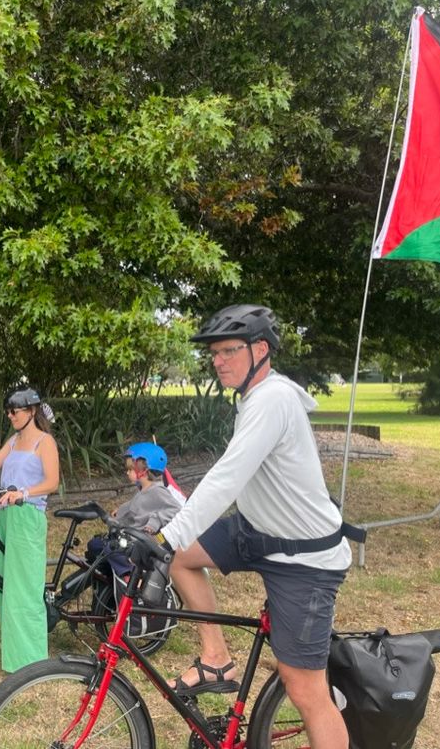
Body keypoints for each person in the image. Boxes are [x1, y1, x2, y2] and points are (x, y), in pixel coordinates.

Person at [153, 304, 361, 749]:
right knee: (181, 557)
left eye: (229, 350)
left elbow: (226, 476)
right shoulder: (255, 398)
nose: (218, 360)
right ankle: (216, 658)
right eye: (214, 353)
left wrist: (167, 533)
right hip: (259, 533)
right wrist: (172, 541)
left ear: (261, 349)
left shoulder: (273, 399)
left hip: (304, 558)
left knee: (305, 689)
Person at [0, 386, 60, 672]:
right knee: (6, 583)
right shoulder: (12, 441)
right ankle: (14, 651)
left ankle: (31, 659)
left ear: (32, 411)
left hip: (27, 516)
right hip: (6, 515)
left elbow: (52, 483)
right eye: (8, 411)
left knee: (24, 587)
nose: (10, 415)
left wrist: (23, 493)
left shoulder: (44, 442)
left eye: (16, 410)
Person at [86, 442, 184, 578]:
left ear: (144, 471)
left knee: (112, 550)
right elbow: (136, 505)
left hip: (139, 542)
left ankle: (131, 578)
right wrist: (119, 511)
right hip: (128, 537)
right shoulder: (144, 491)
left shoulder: (158, 491)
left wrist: (154, 522)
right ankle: (109, 580)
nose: (127, 472)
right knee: (95, 545)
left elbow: (176, 509)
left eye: (130, 469)